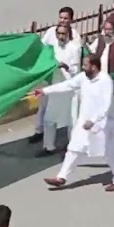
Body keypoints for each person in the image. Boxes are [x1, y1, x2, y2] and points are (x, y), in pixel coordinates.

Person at [36, 54, 114, 192]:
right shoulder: (83, 77)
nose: (83, 67)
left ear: (94, 67)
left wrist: (94, 120)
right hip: (84, 121)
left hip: (102, 123)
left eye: (85, 65)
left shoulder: (105, 81)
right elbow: (67, 85)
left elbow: (106, 105)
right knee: (73, 148)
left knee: (109, 152)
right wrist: (44, 91)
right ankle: (61, 177)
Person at [39, 23, 83, 156]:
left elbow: (76, 70)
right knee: (49, 119)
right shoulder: (51, 49)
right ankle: (48, 147)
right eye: (59, 34)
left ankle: (73, 149)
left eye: (63, 34)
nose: (61, 37)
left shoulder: (74, 49)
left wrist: (65, 66)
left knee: (72, 120)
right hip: (56, 87)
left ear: (68, 34)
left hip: (69, 90)